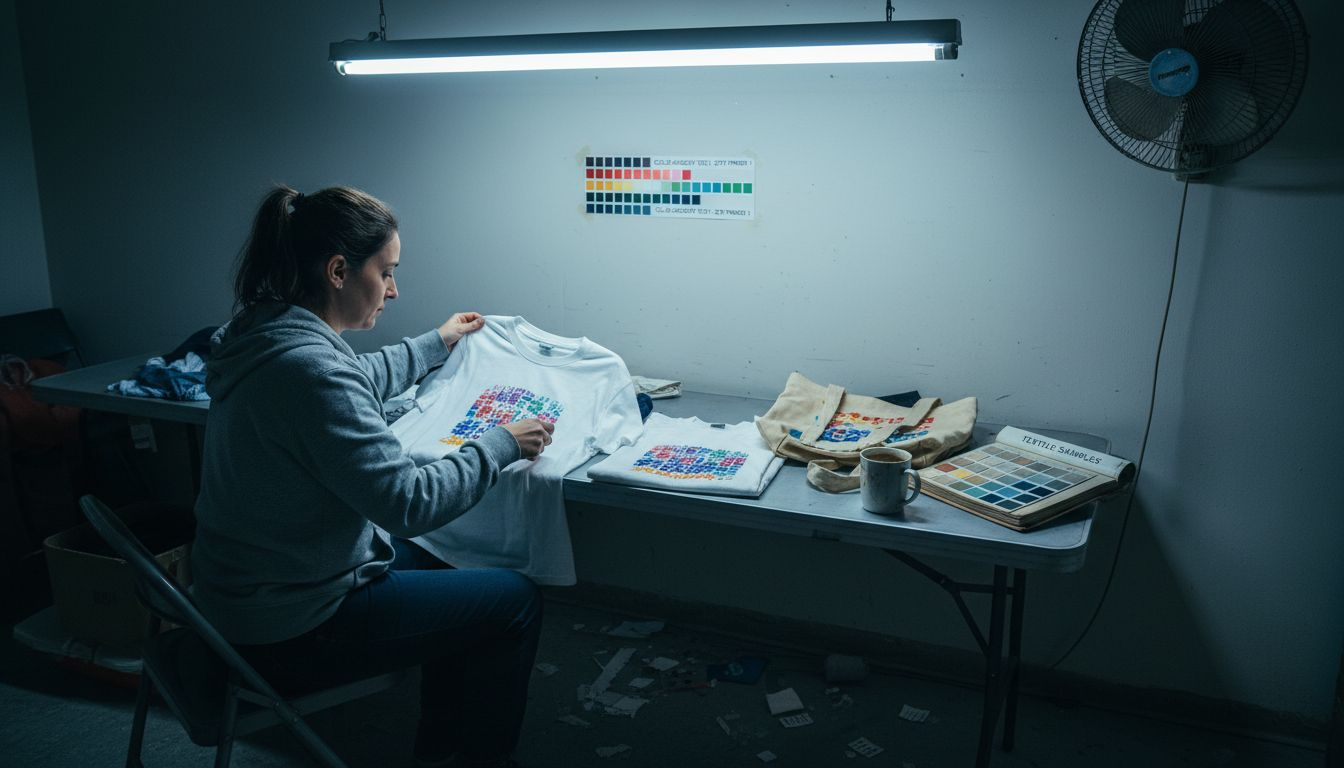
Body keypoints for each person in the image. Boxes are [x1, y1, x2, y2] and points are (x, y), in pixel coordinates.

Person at [190, 184, 554, 768]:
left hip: (242, 593)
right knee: (513, 600)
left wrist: (437, 342)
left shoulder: (265, 333)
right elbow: (408, 504)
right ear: (338, 270)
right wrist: (499, 443)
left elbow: (352, 374)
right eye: (386, 272)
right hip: (290, 625)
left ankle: (440, 747)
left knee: (448, 562)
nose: (393, 289)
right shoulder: (307, 370)